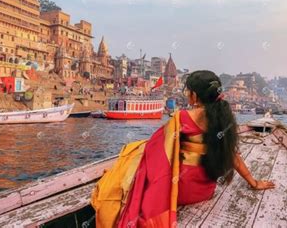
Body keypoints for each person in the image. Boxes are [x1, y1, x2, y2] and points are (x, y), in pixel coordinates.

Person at [91, 70, 275, 227]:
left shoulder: (183, 117)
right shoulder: (224, 118)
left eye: (188, 91)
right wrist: (254, 182)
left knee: (137, 152)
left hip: (179, 192)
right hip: (205, 191)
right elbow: (233, 155)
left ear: (194, 95)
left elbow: (158, 146)